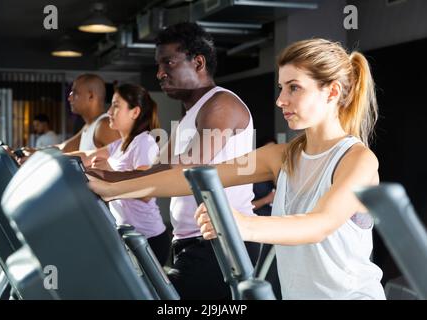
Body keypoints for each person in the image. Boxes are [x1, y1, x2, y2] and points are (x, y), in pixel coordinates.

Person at [88, 38, 386, 300]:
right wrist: (112, 188)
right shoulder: (282, 157)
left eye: (294, 87)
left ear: (332, 92)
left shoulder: (358, 160)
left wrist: (240, 224)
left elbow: (319, 225)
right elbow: (189, 178)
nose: (281, 100)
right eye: (281, 87)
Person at [87, 22, 259, 300]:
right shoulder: (190, 114)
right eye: (158, 65)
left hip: (220, 243)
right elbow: (160, 170)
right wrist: (103, 177)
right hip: (190, 241)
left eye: (168, 62)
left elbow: (186, 172)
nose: (159, 73)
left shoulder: (221, 105)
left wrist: (110, 182)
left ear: (198, 62)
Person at [67, 83, 170, 266]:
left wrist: (109, 172)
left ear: (135, 112)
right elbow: (86, 156)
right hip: (128, 236)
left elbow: (146, 192)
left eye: (116, 106)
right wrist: (46, 157)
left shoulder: (144, 142)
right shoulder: (119, 145)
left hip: (148, 239)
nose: (109, 112)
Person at [251, 137, 277, 217]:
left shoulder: (282, 170)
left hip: (280, 222)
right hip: (260, 222)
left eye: (275, 150)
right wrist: (267, 199)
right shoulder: (251, 176)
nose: (272, 154)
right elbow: (242, 208)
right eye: (268, 151)